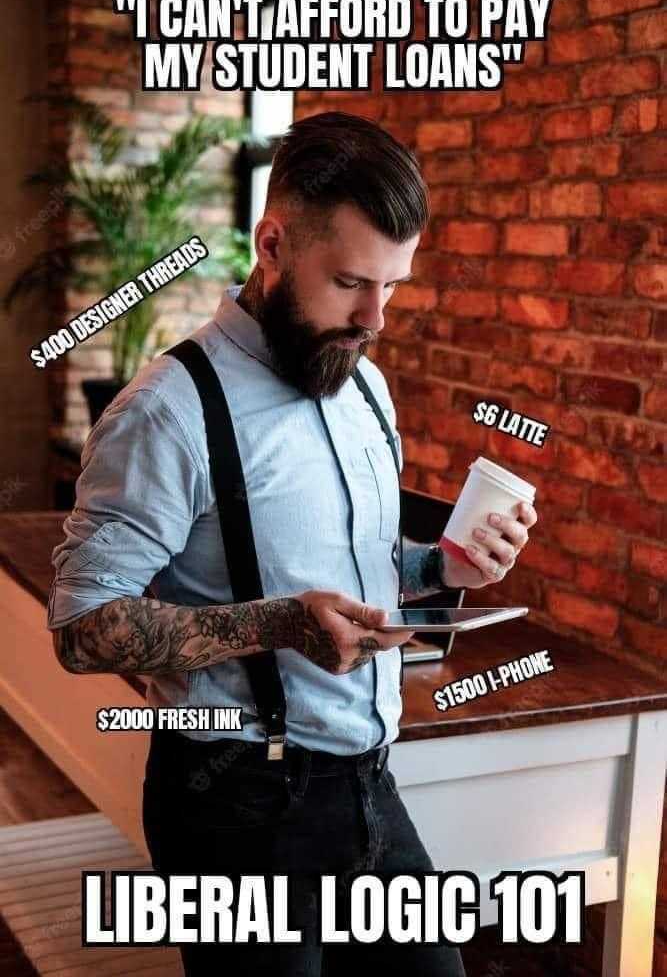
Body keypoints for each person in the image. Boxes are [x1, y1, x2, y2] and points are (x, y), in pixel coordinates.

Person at [48, 111, 537, 976]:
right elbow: (84, 627)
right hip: (235, 804)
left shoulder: (367, 386)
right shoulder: (166, 410)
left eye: (393, 284)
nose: (375, 316)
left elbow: (356, 571)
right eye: (350, 280)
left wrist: (443, 568)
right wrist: (277, 624)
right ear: (272, 244)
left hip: (366, 786)